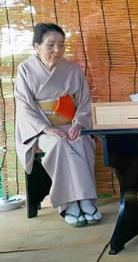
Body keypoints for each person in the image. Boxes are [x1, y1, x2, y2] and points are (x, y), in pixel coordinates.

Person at [14, 23, 101, 227]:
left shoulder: (72, 70)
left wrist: (78, 124)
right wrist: (46, 128)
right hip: (41, 129)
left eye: (61, 45)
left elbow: (84, 102)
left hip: (70, 124)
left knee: (82, 142)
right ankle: (69, 204)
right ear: (37, 46)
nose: (57, 50)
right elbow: (24, 106)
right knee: (59, 145)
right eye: (50, 45)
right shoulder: (26, 70)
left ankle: (85, 200)